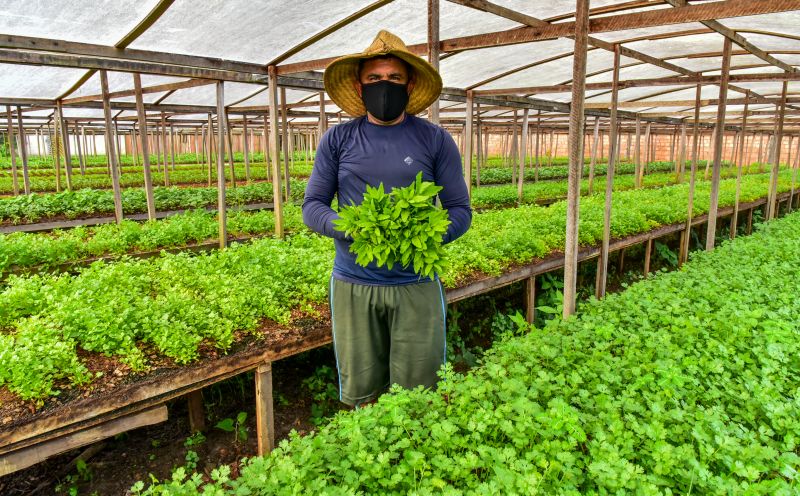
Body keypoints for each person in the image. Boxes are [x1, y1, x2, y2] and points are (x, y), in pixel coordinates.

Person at [302, 30, 472, 407]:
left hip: (417, 283)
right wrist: (349, 226)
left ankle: (414, 459)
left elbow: (460, 210)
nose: (384, 86)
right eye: (374, 79)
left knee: (419, 393)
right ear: (360, 88)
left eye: (394, 78)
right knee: (362, 392)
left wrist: (427, 236)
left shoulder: (435, 140)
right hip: (353, 282)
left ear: (409, 84)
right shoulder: (338, 140)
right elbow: (313, 205)